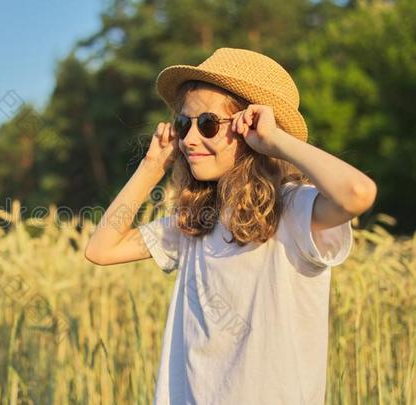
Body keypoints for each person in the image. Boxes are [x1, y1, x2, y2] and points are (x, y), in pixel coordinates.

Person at [84, 47, 377, 405]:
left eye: (206, 124)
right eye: (182, 124)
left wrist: (279, 142)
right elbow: (101, 249)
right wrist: (150, 168)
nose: (189, 139)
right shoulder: (195, 222)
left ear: (252, 127)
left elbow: (358, 193)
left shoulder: (294, 210)